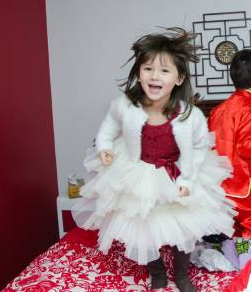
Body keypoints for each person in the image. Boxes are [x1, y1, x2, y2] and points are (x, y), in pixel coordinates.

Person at [73, 28, 235, 292]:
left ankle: (182, 274)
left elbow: (200, 146)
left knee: (183, 225)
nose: (155, 76)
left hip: (175, 171)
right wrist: (104, 146)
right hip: (138, 171)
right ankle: (157, 272)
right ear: (139, 73)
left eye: (164, 70)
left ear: (179, 78)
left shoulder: (188, 113)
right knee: (143, 225)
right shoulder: (125, 104)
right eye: (148, 69)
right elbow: (109, 128)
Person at [208, 49, 251, 270]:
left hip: (219, 182)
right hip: (243, 182)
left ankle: (232, 257)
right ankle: (248, 265)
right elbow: (247, 146)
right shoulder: (249, 107)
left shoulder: (218, 110)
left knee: (233, 224)